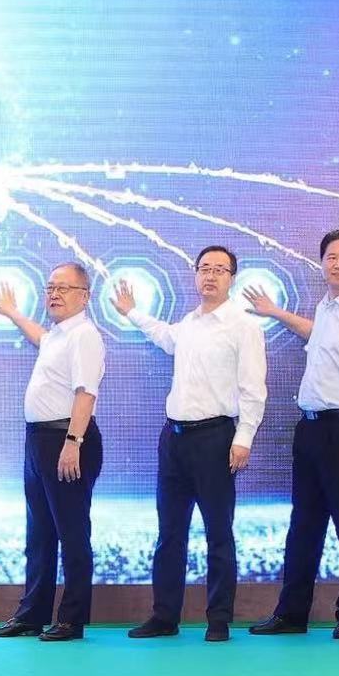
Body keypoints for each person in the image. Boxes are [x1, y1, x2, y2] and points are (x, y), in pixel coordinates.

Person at [114, 245, 266, 643]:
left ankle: (219, 620)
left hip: (216, 439)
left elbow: (254, 389)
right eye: (204, 268)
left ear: (232, 277)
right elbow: (165, 337)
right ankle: (164, 616)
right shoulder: (190, 322)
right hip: (174, 439)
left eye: (219, 269)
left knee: (218, 533)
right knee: (169, 533)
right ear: (196, 274)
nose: (210, 276)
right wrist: (132, 312)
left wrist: (244, 438)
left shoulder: (243, 326)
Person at [246, 229, 339, 641]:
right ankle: (292, 613)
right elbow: (317, 334)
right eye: (331, 257)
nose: (338, 264)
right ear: (322, 262)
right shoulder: (327, 306)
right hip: (310, 429)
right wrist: (275, 312)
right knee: (304, 525)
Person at [0, 262, 107, 643]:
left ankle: (72, 620)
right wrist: (13, 313)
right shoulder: (58, 335)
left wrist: (73, 442)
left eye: (63, 288)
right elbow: (40, 336)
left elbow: (86, 392)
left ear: (85, 296)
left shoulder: (84, 336)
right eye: (50, 288)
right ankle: (31, 615)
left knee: (72, 532)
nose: (54, 294)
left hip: (66, 439)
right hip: (39, 441)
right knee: (39, 534)